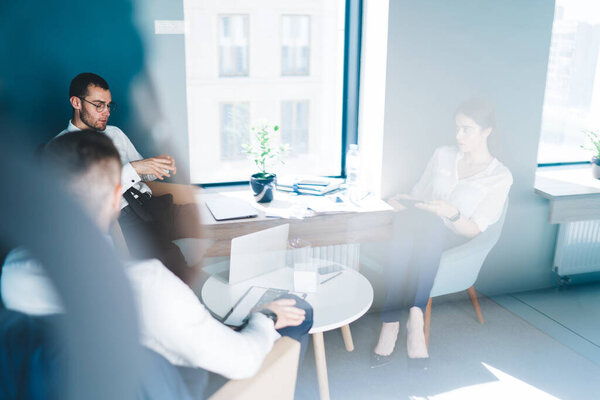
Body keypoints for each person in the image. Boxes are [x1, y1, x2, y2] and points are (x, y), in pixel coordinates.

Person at [1, 131, 313, 390]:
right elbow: (242, 362)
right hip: (168, 387)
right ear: (115, 198)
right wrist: (265, 317)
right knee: (300, 311)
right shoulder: (146, 286)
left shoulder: (13, 272)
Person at [372, 99, 512, 365]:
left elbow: (475, 230)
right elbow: (420, 194)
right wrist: (402, 200)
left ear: (487, 131)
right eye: (457, 128)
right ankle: (414, 318)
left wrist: (450, 212)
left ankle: (390, 323)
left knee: (428, 226)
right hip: (419, 224)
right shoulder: (443, 154)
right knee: (413, 224)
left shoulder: (500, 177)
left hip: (453, 236)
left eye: (466, 129)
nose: (458, 136)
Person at [55, 72, 200, 284]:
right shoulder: (63, 147)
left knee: (207, 218)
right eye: (98, 105)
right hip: (123, 218)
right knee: (172, 264)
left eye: (108, 105)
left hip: (153, 204)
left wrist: (157, 166)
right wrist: (133, 168)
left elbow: (142, 171)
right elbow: (92, 194)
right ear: (76, 102)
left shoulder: (115, 133)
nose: (106, 112)